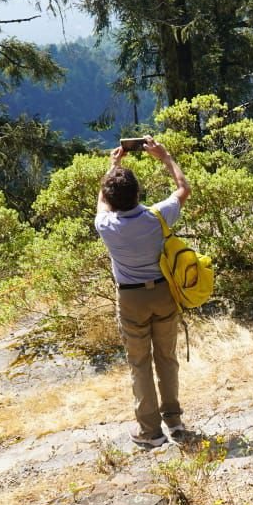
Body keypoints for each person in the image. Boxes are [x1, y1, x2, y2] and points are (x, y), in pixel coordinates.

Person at [96, 136, 193, 449]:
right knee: (167, 357)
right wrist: (165, 158)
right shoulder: (157, 216)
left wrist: (114, 165)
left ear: (110, 200)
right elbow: (183, 189)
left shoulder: (105, 224)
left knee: (140, 363)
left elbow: (102, 201)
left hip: (130, 298)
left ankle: (150, 432)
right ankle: (175, 422)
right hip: (163, 293)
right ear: (138, 193)